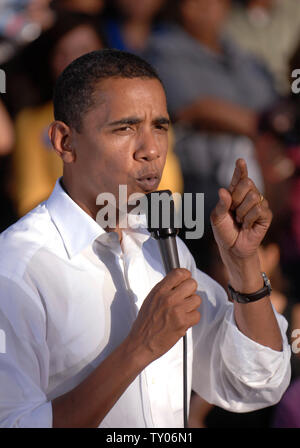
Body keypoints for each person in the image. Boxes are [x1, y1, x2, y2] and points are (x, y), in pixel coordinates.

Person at [0, 49, 291, 428]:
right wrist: (139, 349)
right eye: (125, 128)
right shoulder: (15, 270)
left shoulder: (162, 247)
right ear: (65, 142)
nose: (151, 150)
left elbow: (255, 382)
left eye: (160, 126)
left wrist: (244, 267)